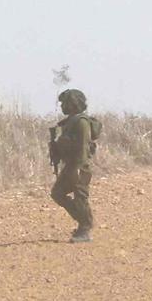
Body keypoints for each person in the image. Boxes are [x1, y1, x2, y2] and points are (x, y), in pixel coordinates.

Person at [47, 87, 99, 241]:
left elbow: (82, 147)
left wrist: (77, 170)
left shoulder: (81, 122)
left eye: (64, 103)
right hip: (70, 165)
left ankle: (85, 229)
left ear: (72, 104)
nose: (62, 106)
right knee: (57, 194)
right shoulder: (69, 122)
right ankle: (83, 221)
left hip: (79, 166)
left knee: (80, 198)